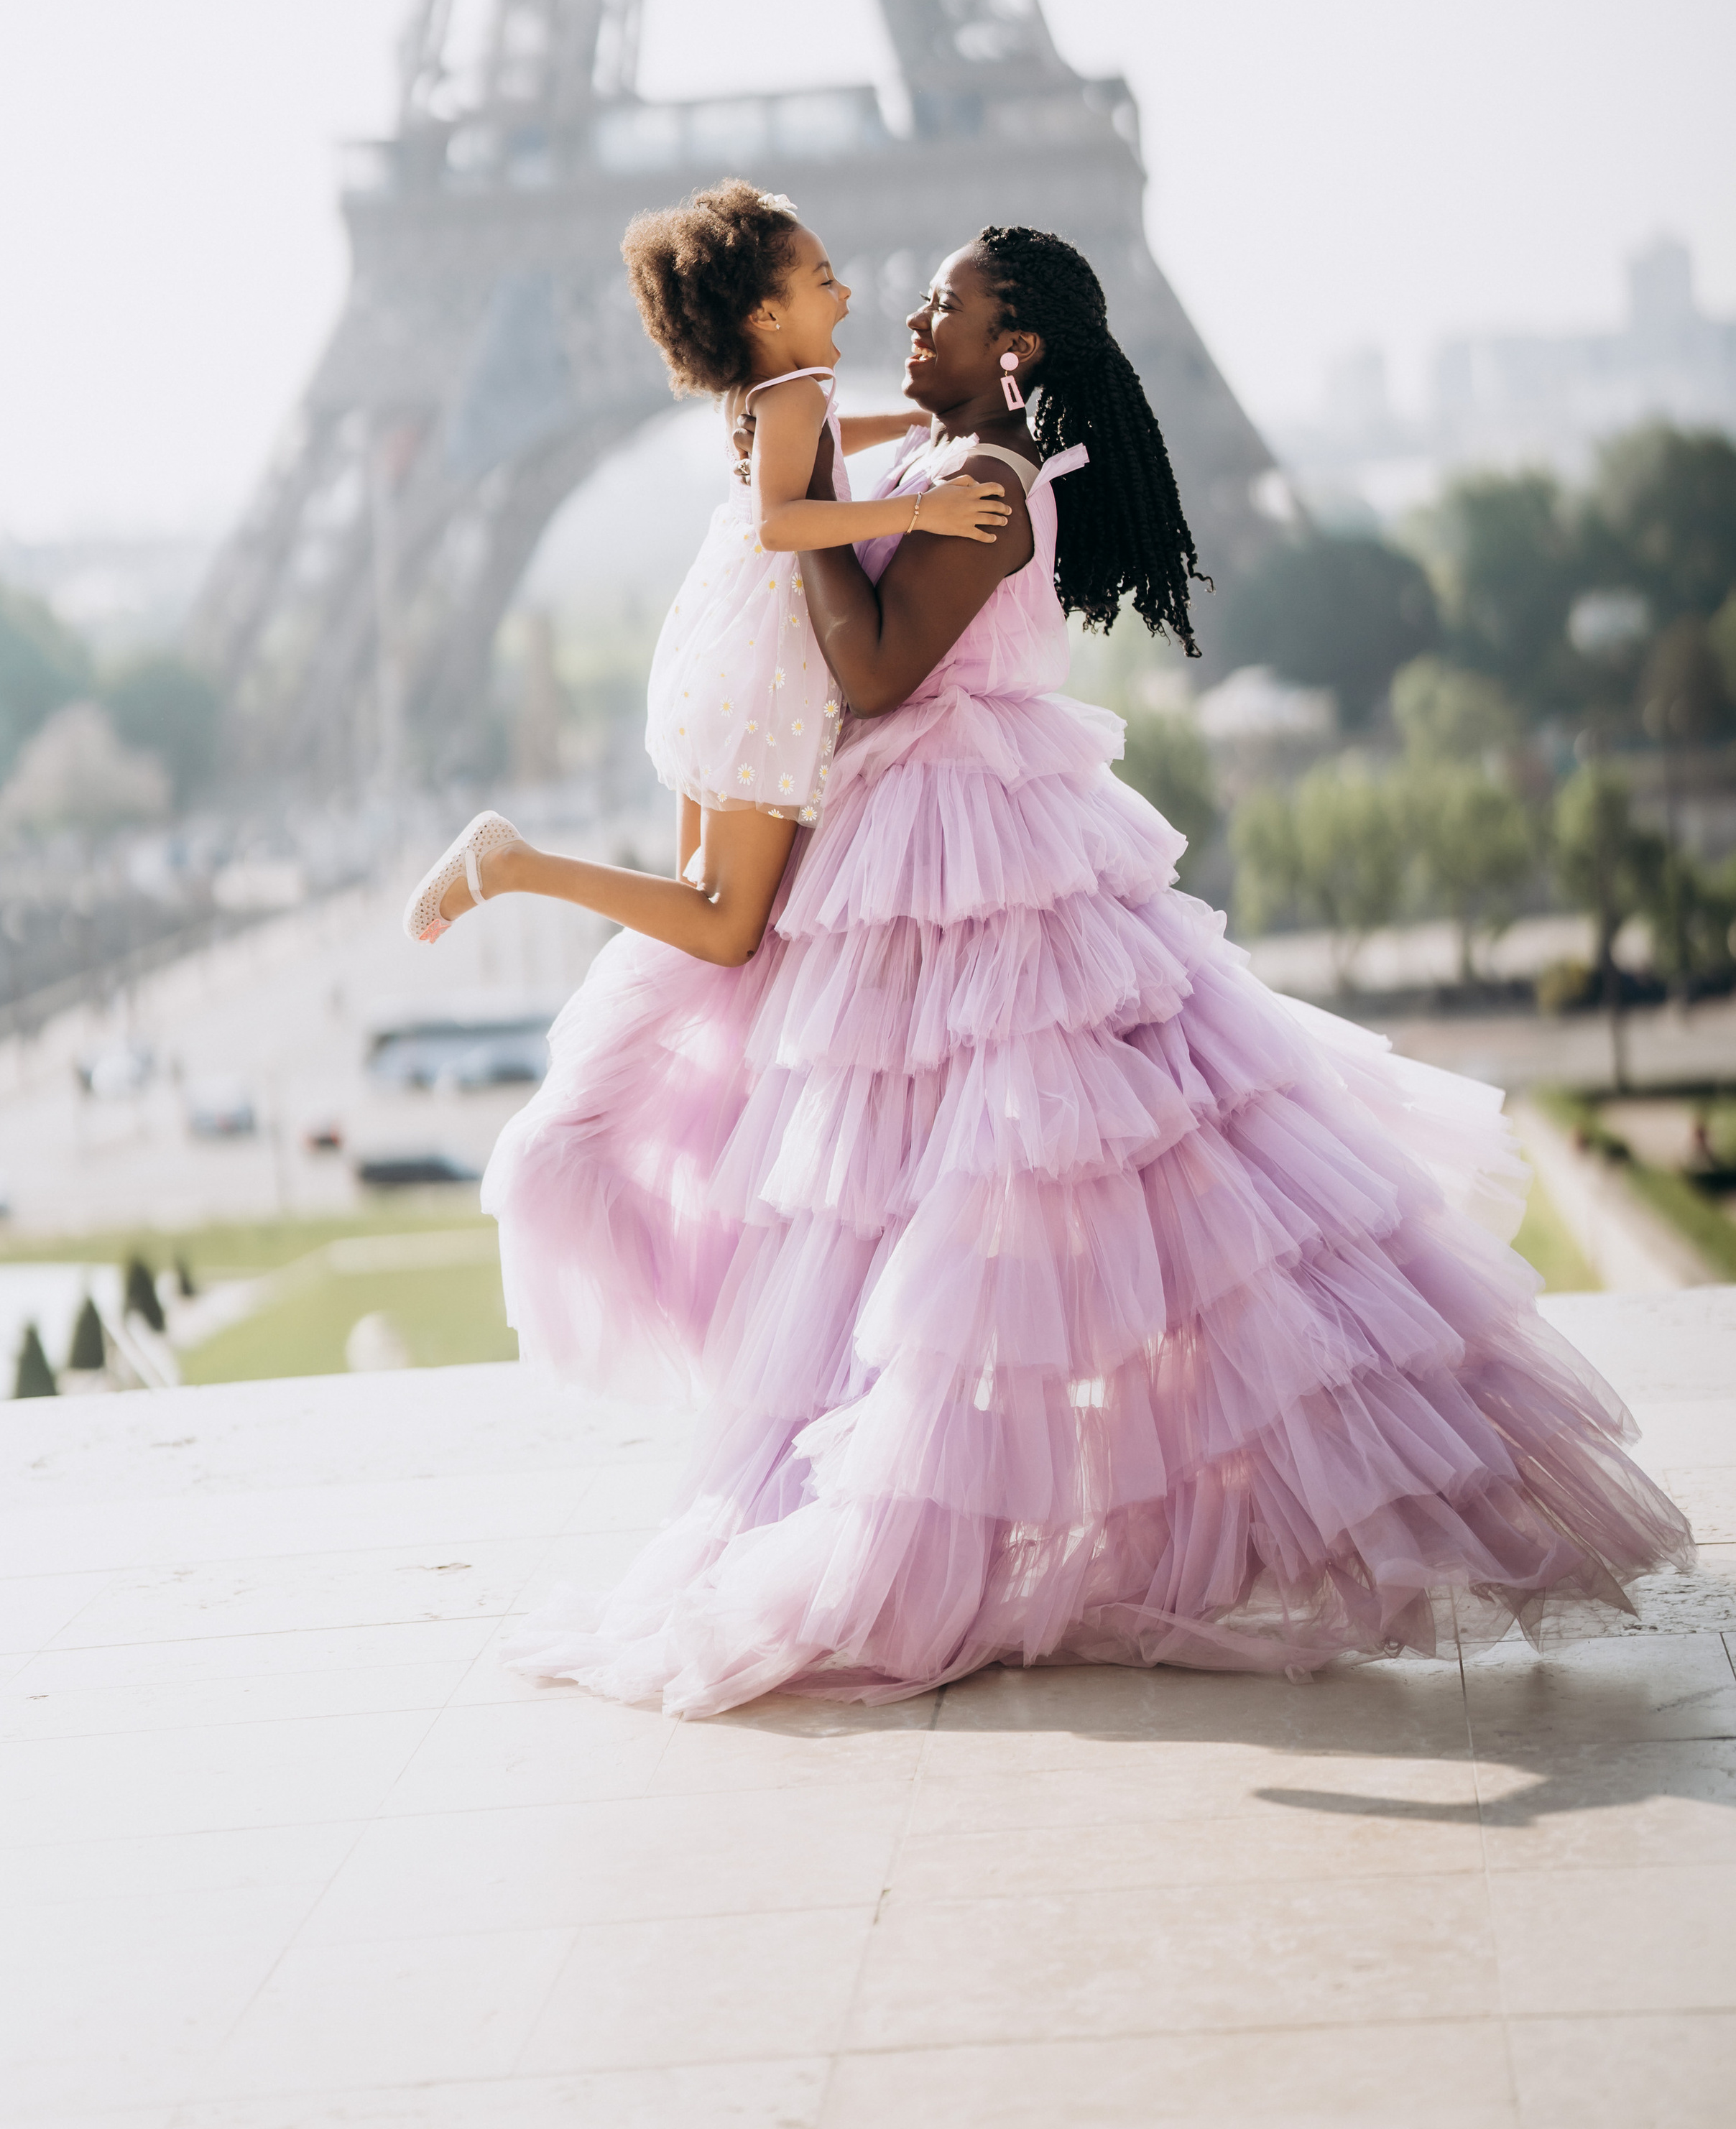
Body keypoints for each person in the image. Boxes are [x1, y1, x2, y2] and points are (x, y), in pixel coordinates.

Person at [470, 222, 1691, 1715]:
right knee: (923, 1208)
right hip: (908, 850)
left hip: (968, 852)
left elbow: (867, 673)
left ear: (1017, 348)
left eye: (943, 308)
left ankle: (999, 1525)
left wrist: (784, 520)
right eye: (909, 301)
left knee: (1031, 1194)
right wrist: (787, 482)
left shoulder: (984, 484)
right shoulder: (932, 451)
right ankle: (947, 1508)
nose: (907, 320)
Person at [401, 180, 1009, 966]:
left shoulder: (757, 396)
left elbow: (812, 443)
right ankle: (513, 865)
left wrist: (900, 421)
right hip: (771, 665)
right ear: (765, 314)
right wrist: (923, 513)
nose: (848, 293)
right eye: (823, 280)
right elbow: (783, 518)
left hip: (726, 651)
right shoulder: (797, 395)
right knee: (727, 929)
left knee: (697, 902)